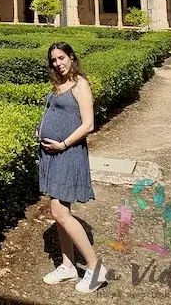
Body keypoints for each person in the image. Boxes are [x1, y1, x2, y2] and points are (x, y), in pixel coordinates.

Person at [36, 42, 107, 294]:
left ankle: (95, 267)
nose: (58, 63)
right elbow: (52, 112)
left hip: (67, 153)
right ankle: (67, 265)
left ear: (72, 58)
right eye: (54, 60)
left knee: (60, 212)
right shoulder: (59, 86)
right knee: (59, 212)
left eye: (62, 58)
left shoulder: (80, 85)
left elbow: (88, 125)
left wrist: (63, 143)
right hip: (52, 154)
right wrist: (41, 128)